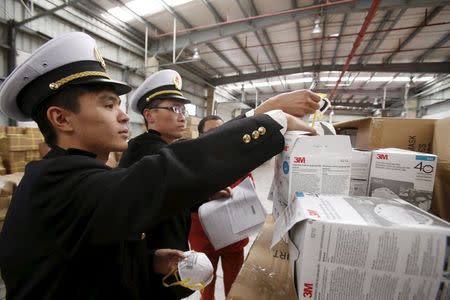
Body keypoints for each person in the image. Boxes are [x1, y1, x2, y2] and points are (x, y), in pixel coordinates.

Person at [0, 32, 317, 300]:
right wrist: (265, 119)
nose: (124, 116)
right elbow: (164, 173)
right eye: (109, 105)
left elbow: (81, 263)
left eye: (120, 106)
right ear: (61, 118)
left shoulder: (70, 176)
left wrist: (147, 261)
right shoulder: (61, 184)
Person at [189, 115, 252, 300]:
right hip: (203, 237)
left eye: (222, 131)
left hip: (234, 236)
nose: (218, 136)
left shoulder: (239, 159)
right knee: (205, 285)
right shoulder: (191, 163)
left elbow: (248, 186)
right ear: (200, 136)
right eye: (211, 132)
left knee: (235, 287)